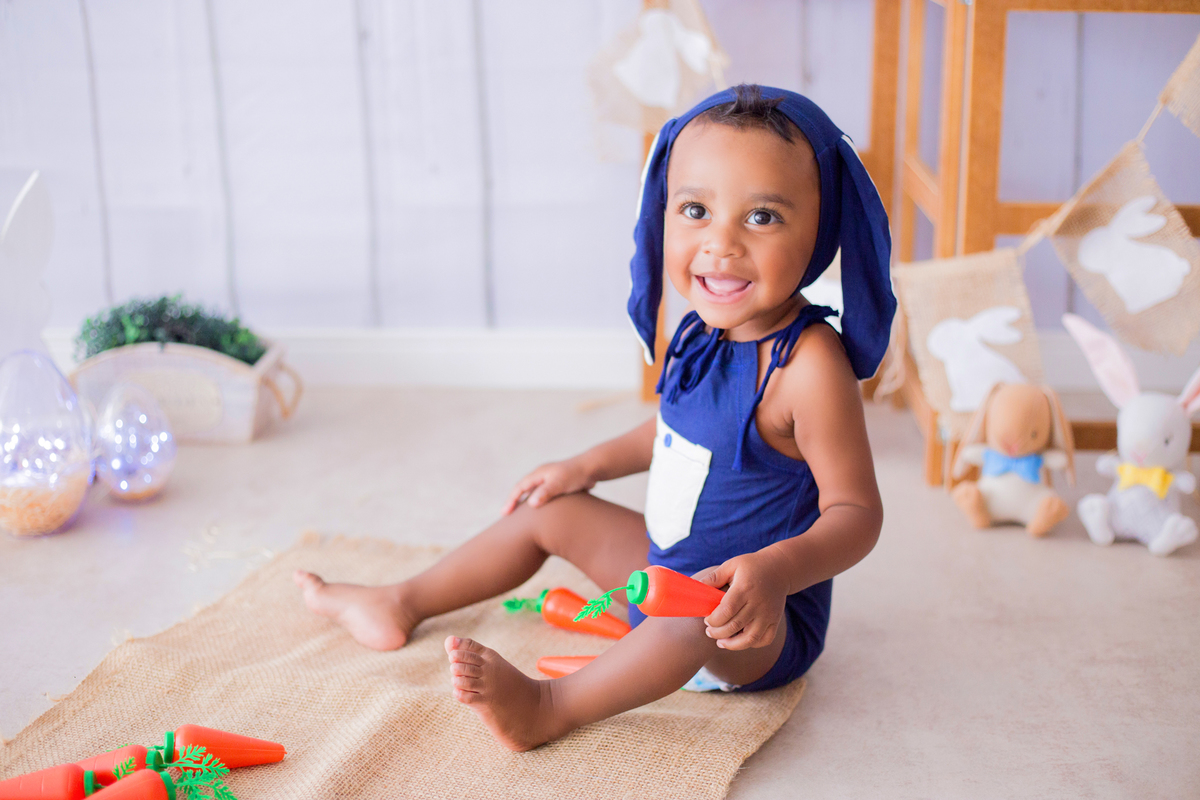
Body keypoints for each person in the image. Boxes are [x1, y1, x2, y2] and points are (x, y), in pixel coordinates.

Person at [293, 84, 894, 751]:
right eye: (695, 210)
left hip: (750, 626)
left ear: (821, 229)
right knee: (549, 510)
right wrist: (585, 466)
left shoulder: (808, 366)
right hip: (665, 573)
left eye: (762, 217)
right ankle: (399, 601)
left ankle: (550, 706)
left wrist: (776, 572)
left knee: (692, 609)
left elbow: (856, 514)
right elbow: (675, 433)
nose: (720, 244)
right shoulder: (703, 329)